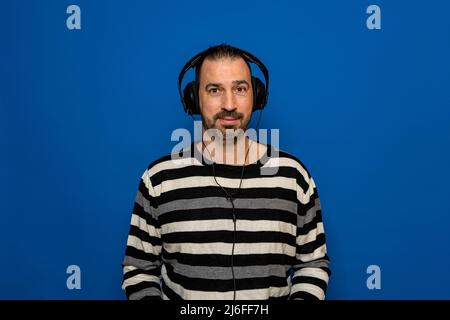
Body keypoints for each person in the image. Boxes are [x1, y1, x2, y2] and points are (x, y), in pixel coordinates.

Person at [121, 44, 331, 300]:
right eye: (214, 90)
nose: (229, 104)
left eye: (240, 89)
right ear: (193, 98)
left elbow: (313, 265)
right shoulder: (158, 179)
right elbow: (139, 269)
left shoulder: (293, 177)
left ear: (258, 95)